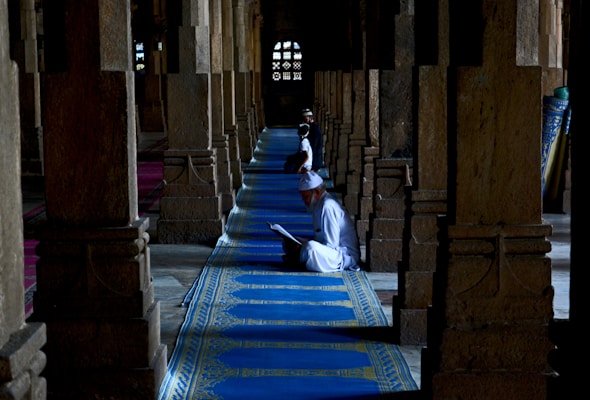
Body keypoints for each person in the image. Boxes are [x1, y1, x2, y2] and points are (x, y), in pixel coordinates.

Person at [282, 171, 361, 273]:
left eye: (305, 197)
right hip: (331, 251)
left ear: (317, 192)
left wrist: (304, 246)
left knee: (310, 248)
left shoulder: (327, 206)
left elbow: (331, 245)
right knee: (289, 242)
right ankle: (299, 258)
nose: (303, 200)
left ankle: (298, 259)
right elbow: (320, 239)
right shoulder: (318, 205)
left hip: (343, 256)